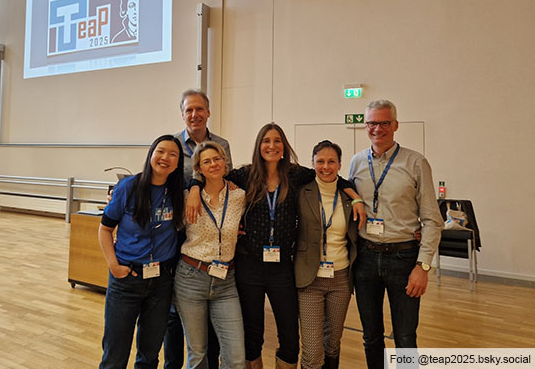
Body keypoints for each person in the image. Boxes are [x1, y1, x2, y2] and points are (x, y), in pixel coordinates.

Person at [188, 123, 364, 369]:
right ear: (259, 146)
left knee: (290, 335)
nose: (272, 146)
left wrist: (355, 197)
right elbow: (211, 174)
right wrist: (195, 188)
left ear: (284, 146)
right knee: (252, 332)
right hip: (249, 265)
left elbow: (332, 175)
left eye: (277, 141)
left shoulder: (295, 174)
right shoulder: (245, 175)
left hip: (283, 266)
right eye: (266, 141)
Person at [349, 100, 444, 369]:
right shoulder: (356, 162)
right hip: (365, 260)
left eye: (384, 123)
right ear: (365, 125)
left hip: (404, 259)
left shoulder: (416, 162)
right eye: (372, 123)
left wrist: (422, 266)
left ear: (395, 125)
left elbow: (432, 220)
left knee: (404, 337)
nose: (377, 129)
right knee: (371, 337)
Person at [97, 135, 185, 369]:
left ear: (178, 164)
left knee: (149, 354)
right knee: (115, 354)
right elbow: (105, 229)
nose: (165, 158)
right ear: (151, 155)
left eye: (173, 154)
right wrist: (114, 266)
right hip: (127, 279)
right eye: (160, 151)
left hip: (161, 281)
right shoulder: (129, 187)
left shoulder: (178, 192)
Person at [168, 89, 231, 369]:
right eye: (189, 110)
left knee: (209, 312)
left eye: (199, 109)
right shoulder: (171, 145)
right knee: (174, 311)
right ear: (182, 114)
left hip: (211, 234)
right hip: (178, 232)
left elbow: (222, 178)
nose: (194, 114)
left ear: (208, 112)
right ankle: (173, 364)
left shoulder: (221, 144)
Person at [174, 142, 246, 368]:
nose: (213, 164)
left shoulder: (239, 196)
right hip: (191, 278)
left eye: (217, 159)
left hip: (226, 281)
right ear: (199, 168)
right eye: (206, 161)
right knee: (197, 354)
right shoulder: (187, 197)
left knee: (235, 357)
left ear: (225, 162)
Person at [295, 141, 360, 369]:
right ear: (312, 163)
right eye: (320, 161)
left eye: (331, 161)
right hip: (309, 279)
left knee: (332, 343)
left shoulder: (349, 197)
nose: (326, 167)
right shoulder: (301, 192)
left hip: (340, 279)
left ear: (340, 164)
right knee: (313, 351)